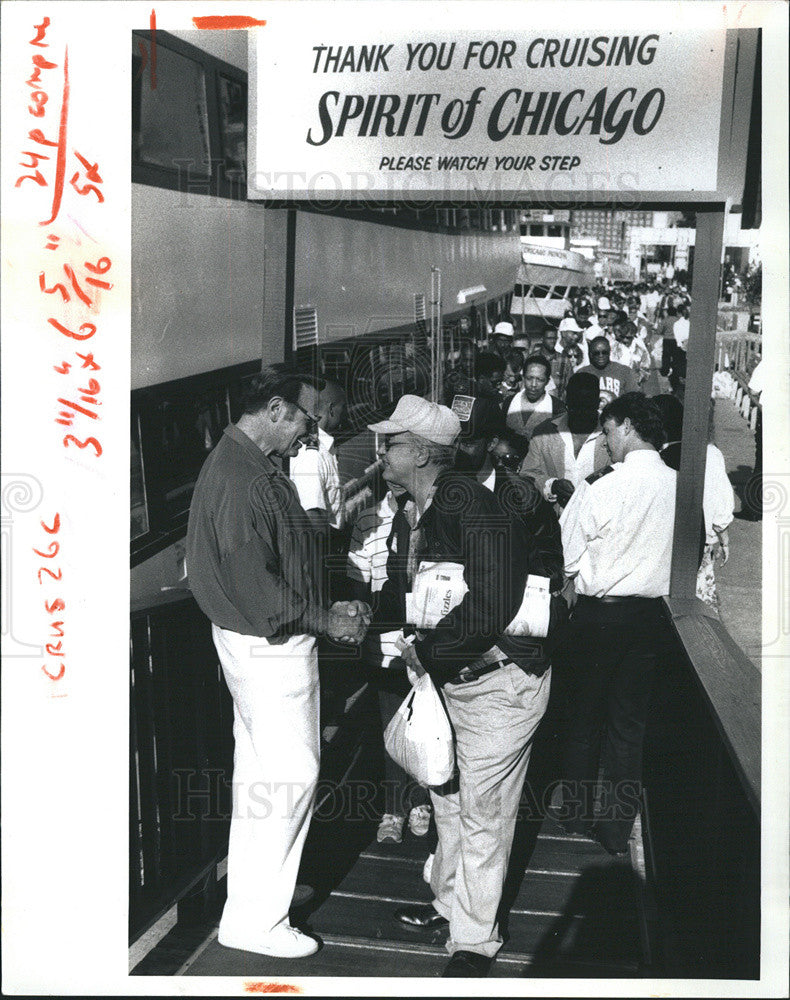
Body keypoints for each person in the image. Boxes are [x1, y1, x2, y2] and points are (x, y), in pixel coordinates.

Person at [186, 365, 369, 958]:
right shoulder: (245, 478)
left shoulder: (241, 462)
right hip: (271, 648)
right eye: (304, 419)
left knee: (261, 779)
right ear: (273, 410)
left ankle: (253, 903)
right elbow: (255, 585)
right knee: (290, 778)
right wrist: (327, 619)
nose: (310, 433)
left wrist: (320, 604)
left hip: (255, 643)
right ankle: (259, 922)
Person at [368, 395, 552, 978]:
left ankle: (474, 941)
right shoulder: (411, 508)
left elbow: (493, 599)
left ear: (423, 454)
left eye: (391, 442)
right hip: (453, 679)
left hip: (500, 681)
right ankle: (449, 908)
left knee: (483, 812)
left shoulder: (470, 505)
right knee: (447, 798)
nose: (381, 451)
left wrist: (424, 650)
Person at [555, 392, 676, 855]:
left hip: (599, 616)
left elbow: (567, 557)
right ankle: (616, 829)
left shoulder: (600, 485)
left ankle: (576, 813)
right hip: (652, 619)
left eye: (607, 432)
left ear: (626, 426)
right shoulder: (678, 486)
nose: (605, 444)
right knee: (629, 726)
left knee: (584, 717)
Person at [346, 483, 433, 844]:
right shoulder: (368, 520)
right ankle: (393, 808)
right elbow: (357, 585)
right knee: (391, 728)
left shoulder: (433, 516)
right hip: (384, 645)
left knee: (429, 726)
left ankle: (422, 800)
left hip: (427, 645)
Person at [652, 394, 735, 609]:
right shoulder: (711, 454)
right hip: (702, 545)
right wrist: (723, 536)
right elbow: (722, 504)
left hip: (664, 546)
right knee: (699, 603)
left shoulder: (657, 457)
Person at [519, 372, 610, 509]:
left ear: (598, 403)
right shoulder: (544, 432)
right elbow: (528, 473)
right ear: (566, 402)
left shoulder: (612, 433)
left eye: (587, 408)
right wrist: (552, 485)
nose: (581, 415)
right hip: (555, 523)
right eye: (575, 407)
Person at [289, 378, 348, 535]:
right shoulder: (312, 456)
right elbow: (312, 516)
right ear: (331, 409)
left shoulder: (323, 448)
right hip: (325, 547)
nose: (345, 412)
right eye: (343, 406)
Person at [504, 353, 564, 439]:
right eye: (529, 378)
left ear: (547, 381)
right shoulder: (509, 402)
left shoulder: (557, 408)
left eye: (540, 380)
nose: (534, 384)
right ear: (523, 377)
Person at [578, 336, 640, 409]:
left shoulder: (624, 371)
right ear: (590, 354)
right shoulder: (581, 373)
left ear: (609, 352)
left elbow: (635, 400)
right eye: (596, 353)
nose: (601, 356)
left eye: (604, 352)